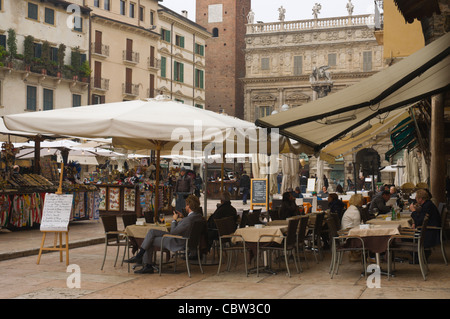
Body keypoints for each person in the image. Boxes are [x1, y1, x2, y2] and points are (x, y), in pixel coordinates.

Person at [126, 195, 204, 274]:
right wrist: (182, 217)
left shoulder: (188, 220)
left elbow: (173, 232)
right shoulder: (198, 217)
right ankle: (140, 256)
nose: (185, 206)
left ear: (189, 205)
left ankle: (146, 264)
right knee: (151, 232)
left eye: (186, 205)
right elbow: (186, 226)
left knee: (149, 240)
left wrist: (174, 220)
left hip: (178, 242)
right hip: (187, 241)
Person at [409, 189, 441, 259]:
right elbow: (421, 218)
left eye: (416, 198)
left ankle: (418, 258)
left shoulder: (427, 206)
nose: (416, 200)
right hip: (429, 230)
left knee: (406, 237)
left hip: (429, 232)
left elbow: (420, 220)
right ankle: (421, 255)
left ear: (420, 199)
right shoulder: (428, 204)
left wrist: (413, 211)